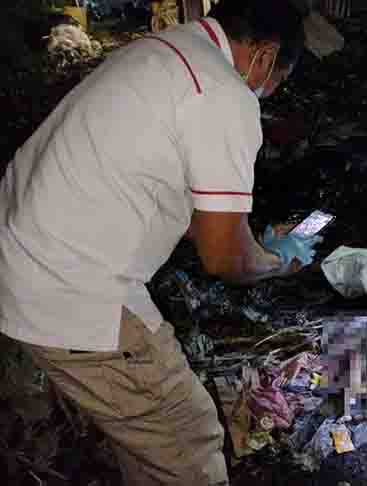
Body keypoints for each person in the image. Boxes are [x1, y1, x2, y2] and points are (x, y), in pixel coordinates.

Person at [0, 1, 318, 484]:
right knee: (186, 442)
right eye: (280, 79)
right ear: (266, 57)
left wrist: (244, 234)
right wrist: (276, 261)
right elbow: (224, 259)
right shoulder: (224, 94)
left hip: (23, 253)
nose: (271, 91)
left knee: (151, 443)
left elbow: (177, 197)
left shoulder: (160, 51)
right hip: (75, 290)